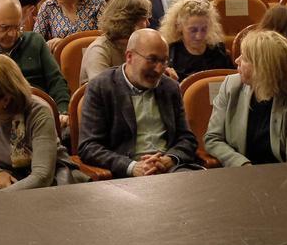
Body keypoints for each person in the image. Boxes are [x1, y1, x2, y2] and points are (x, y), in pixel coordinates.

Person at [78, 28, 199, 176]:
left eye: (164, 61)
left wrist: (170, 159)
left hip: (170, 170)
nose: (159, 69)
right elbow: (89, 147)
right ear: (129, 57)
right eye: (152, 60)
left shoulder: (170, 87)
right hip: (125, 176)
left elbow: (187, 139)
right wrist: (132, 167)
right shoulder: (101, 87)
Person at [0, 54, 81, 191]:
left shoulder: (38, 113)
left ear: (6, 100)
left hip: (52, 185)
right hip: (13, 184)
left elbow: (42, 176)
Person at [203, 29, 287, 167]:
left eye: (244, 58)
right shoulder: (230, 86)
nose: (237, 60)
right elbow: (212, 139)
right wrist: (243, 164)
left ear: (262, 68)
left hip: (281, 178)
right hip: (238, 174)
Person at [0, 0, 70, 123]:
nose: (12, 34)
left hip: (39, 114)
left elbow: (56, 80)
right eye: (5, 27)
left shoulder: (35, 41)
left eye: (17, 27)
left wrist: (63, 110)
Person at [79, 0, 154, 85]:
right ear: (128, 21)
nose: (148, 24)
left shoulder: (137, 45)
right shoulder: (99, 50)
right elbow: (102, 90)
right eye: (143, 19)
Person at [159, 0, 234, 81]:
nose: (199, 36)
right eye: (193, 30)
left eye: (204, 29)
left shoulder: (219, 51)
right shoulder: (170, 54)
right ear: (179, 27)